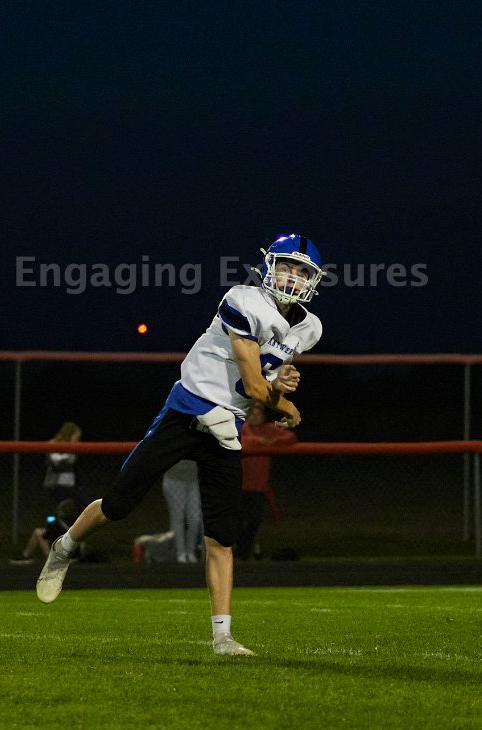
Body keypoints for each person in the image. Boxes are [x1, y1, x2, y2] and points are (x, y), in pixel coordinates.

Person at [35, 233, 324, 656]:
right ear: (268, 267)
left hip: (227, 426)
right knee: (117, 505)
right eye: (286, 267)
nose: (293, 277)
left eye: (302, 271)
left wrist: (280, 383)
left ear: (313, 280)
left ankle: (223, 637)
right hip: (188, 409)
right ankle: (64, 547)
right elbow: (251, 383)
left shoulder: (309, 327)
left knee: (221, 538)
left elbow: (268, 373)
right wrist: (284, 403)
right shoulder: (244, 300)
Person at [236, 401, 297, 560]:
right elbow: (241, 441)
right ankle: (239, 552)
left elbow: (290, 437)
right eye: (252, 414)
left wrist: (274, 441)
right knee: (238, 521)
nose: (255, 417)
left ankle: (242, 552)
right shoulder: (243, 427)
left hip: (259, 486)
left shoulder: (269, 429)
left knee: (254, 521)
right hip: (240, 485)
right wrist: (259, 441)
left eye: (259, 414)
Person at [11, 498, 77, 564]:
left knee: (38, 532)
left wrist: (48, 527)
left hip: (63, 555)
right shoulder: (75, 521)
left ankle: (26, 555)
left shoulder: (58, 522)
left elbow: (46, 535)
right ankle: (26, 555)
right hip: (72, 553)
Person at [161, 460, 203, 562]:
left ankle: (190, 551)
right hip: (174, 479)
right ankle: (180, 553)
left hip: (193, 480)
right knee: (177, 518)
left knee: (195, 519)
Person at [43, 421, 83, 505]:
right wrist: (68, 453)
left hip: (71, 483)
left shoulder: (73, 447)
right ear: (69, 434)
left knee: (79, 503)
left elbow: (70, 461)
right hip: (55, 483)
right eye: (76, 437)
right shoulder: (53, 443)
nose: (77, 440)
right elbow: (56, 463)